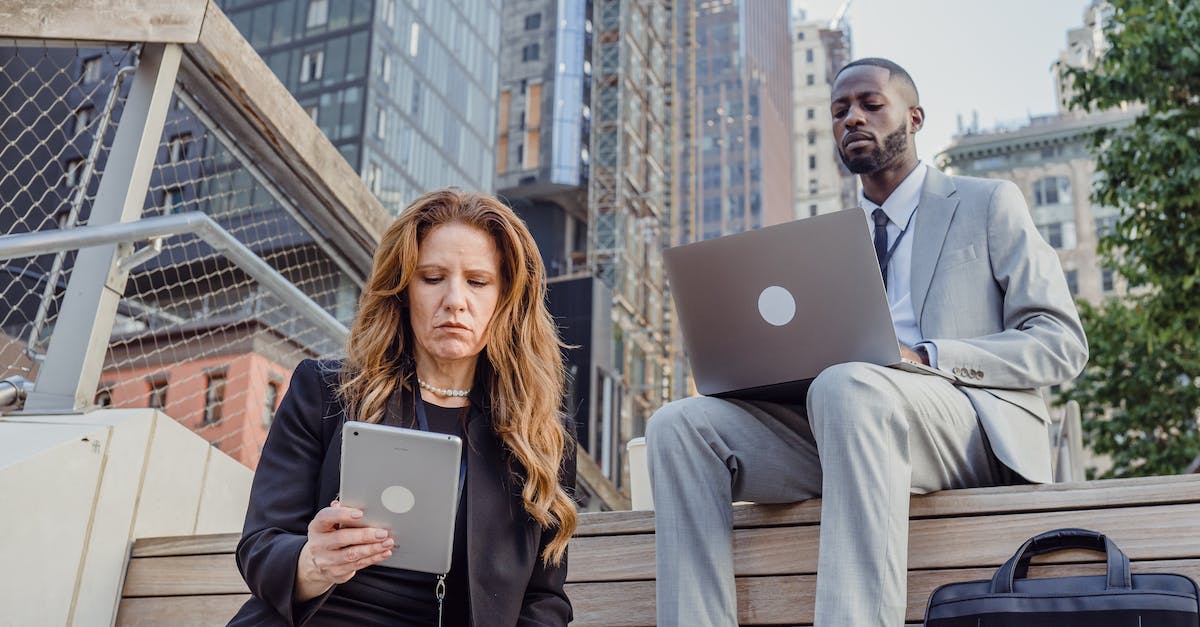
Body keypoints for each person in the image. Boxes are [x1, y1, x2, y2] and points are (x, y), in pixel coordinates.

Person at [646, 58, 1089, 626]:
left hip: (967, 428)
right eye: (839, 111)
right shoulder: (822, 242)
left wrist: (927, 356)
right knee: (680, 428)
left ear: (914, 117)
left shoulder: (987, 203)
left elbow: (1060, 342)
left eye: (870, 105)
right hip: (843, 418)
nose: (852, 118)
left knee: (848, 382)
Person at [229, 189, 577, 626]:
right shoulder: (324, 390)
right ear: (403, 291)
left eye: (477, 281)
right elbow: (261, 544)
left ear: (506, 298)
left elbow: (545, 600)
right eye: (432, 278)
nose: (454, 299)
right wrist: (310, 562)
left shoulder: (540, 433)